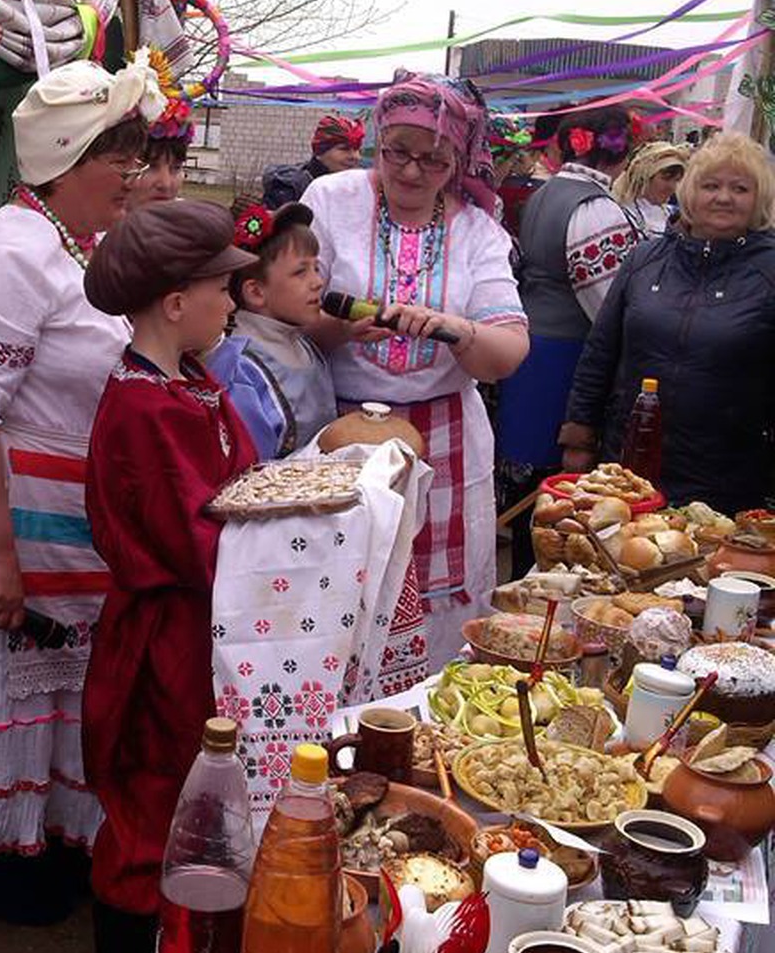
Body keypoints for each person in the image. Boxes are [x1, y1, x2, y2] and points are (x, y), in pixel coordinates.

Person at [0, 53, 165, 921]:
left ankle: (52, 842)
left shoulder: (74, 245)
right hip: (8, 520)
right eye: (120, 157)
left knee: (62, 691)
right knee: (8, 681)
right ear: (71, 160)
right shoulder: (8, 255)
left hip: (64, 518)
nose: (133, 175)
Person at [81, 201, 255, 953]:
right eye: (224, 286)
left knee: (191, 780)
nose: (235, 299)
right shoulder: (146, 406)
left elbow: (236, 495)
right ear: (175, 301)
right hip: (166, 632)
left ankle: (174, 941)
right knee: (154, 789)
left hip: (199, 621)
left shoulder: (188, 383)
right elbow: (202, 537)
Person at [303, 71, 528, 666]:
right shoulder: (332, 200)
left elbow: (506, 352)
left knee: (430, 613)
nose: (409, 172)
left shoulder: (479, 230)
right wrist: (338, 328)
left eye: (432, 160)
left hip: (443, 441)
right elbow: (282, 310)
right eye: (397, 152)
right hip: (339, 429)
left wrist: (458, 331)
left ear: (458, 160)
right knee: (336, 594)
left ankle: (418, 733)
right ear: (377, 139)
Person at [561, 132, 775, 511]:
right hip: (630, 463)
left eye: (740, 188)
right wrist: (578, 438)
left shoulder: (769, 270)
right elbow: (600, 351)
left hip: (729, 475)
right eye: (711, 185)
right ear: (690, 191)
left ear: (759, 198)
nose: (723, 197)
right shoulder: (645, 259)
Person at [494, 106, 639, 575]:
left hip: (533, 350)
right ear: (622, 153)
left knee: (530, 493)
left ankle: (521, 580)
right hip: (564, 360)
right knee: (557, 498)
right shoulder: (594, 208)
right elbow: (610, 307)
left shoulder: (547, 192)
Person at [209, 201, 336, 458]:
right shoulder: (240, 370)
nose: (318, 282)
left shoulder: (302, 344)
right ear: (256, 292)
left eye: (316, 268)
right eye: (301, 272)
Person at [262, 112, 365, 209]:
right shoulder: (290, 189)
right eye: (344, 149)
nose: (355, 156)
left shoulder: (357, 190)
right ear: (320, 151)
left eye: (357, 149)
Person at [610, 138, 690, 238]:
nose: (672, 187)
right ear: (645, 177)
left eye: (677, 180)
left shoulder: (674, 215)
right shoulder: (621, 215)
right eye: (666, 179)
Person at [130, 95, 193, 206]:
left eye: (176, 168)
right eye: (150, 167)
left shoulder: (191, 221)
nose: (165, 184)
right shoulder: (94, 221)